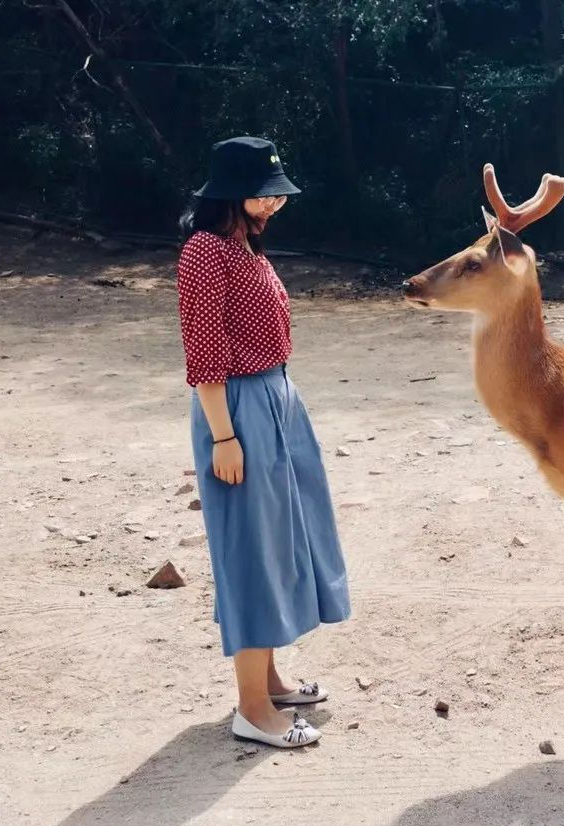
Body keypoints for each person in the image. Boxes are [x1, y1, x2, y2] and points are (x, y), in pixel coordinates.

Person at [177, 136, 350, 748]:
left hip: (276, 400)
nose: (272, 205)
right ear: (228, 190)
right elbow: (204, 357)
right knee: (251, 550)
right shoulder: (204, 252)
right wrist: (225, 435)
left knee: (282, 541)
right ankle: (252, 709)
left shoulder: (243, 246)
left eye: (276, 194)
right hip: (239, 409)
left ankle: (269, 680)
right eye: (261, 193)